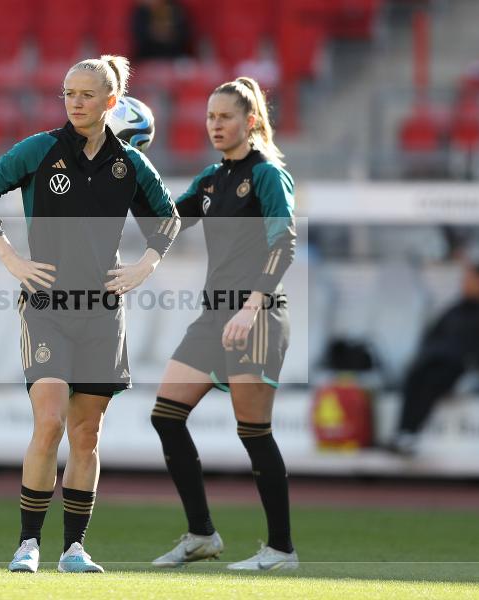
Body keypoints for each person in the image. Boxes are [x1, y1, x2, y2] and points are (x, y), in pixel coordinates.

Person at [0, 55, 179, 573]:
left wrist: (144, 267)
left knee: (87, 434)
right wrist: (11, 258)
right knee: (51, 420)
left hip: (103, 312)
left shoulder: (130, 163)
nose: (75, 102)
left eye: (86, 95)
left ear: (110, 102)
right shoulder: (40, 150)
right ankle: (27, 544)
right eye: (68, 93)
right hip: (47, 307)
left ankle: (74, 549)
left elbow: (168, 220)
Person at [148, 77, 298, 571]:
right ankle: (201, 535)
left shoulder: (267, 175)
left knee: (253, 432)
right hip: (215, 317)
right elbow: (167, 220)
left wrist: (253, 305)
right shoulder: (210, 180)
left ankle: (281, 550)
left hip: (256, 315)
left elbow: (284, 243)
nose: (215, 124)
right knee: (166, 416)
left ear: (250, 121)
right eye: (210, 116)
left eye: (226, 116)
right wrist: (123, 169)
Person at [389, 264, 479, 456]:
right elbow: (432, 334)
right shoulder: (456, 309)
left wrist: (472, 358)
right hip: (438, 360)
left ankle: (412, 433)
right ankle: (403, 432)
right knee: (415, 375)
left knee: (434, 380)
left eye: (470, 281)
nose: (464, 285)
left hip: (466, 366)